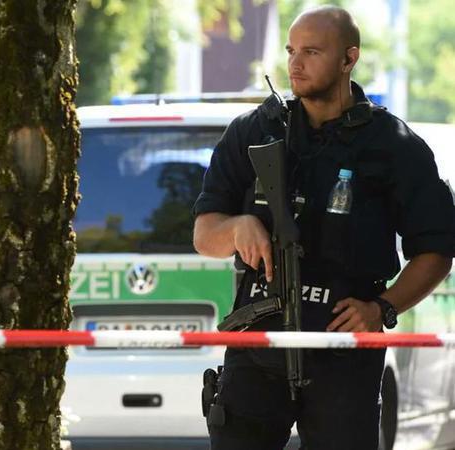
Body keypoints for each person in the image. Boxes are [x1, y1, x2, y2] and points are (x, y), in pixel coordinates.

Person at [193, 5, 455, 450]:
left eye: (312, 52)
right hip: (258, 345)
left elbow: (437, 250)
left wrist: (383, 309)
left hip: (344, 350)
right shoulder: (253, 132)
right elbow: (205, 234)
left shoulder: (393, 146)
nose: (295, 63)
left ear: (349, 58)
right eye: (292, 50)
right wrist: (237, 227)